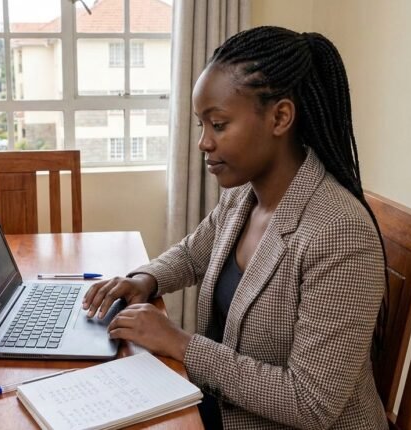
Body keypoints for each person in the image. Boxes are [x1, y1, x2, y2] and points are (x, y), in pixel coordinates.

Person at [83, 26, 388, 429]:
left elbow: (310, 404)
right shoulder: (244, 194)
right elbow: (194, 254)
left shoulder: (339, 234)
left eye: (219, 124)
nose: (203, 143)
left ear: (280, 117)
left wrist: (180, 342)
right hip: (229, 409)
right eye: (201, 125)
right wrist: (145, 280)